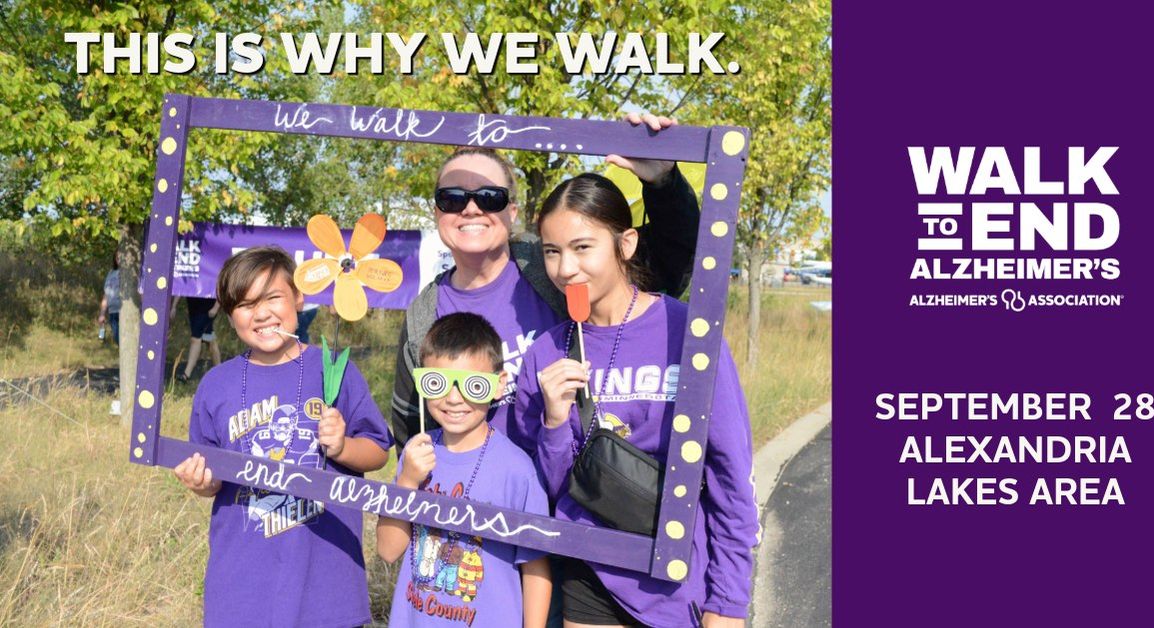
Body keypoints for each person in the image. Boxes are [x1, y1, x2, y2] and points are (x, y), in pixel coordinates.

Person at [513, 174, 758, 627]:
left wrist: (727, 602)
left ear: (625, 244)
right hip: (589, 575)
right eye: (552, 251)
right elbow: (549, 490)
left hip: (680, 577)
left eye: (583, 247)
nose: (566, 268)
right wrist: (553, 419)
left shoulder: (688, 332)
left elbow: (729, 475)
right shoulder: (547, 351)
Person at [392, 114, 701, 448]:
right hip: (479, 496)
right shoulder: (423, 314)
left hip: (570, 485)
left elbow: (670, 261)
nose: (470, 209)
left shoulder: (558, 264)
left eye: (488, 197)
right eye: (452, 198)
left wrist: (664, 184)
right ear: (437, 212)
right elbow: (411, 428)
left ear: (511, 212)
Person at [173, 246, 392, 627]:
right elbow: (210, 474)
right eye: (244, 304)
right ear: (229, 314)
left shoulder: (335, 371)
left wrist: (342, 446)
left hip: (327, 587)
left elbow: (377, 452)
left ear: (298, 298)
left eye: (273, 297)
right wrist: (201, 483)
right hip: (243, 588)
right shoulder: (215, 385)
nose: (261, 313)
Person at [378, 312, 552, 627]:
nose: (454, 398)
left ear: (499, 385)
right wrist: (406, 481)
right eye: (438, 383)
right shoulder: (416, 457)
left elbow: (536, 569)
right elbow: (389, 550)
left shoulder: (518, 471)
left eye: (472, 385)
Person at [170, 296, 222, 381]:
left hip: (207, 307)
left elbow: (220, 288)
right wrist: (174, 306)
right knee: (209, 339)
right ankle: (220, 370)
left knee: (196, 338)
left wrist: (216, 307)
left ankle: (186, 374)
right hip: (193, 307)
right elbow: (182, 285)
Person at [97, 253, 120, 344]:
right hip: (112, 312)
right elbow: (106, 294)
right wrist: (102, 314)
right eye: (117, 257)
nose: (119, 258)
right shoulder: (111, 273)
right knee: (118, 340)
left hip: (123, 312)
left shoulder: (130, 274)